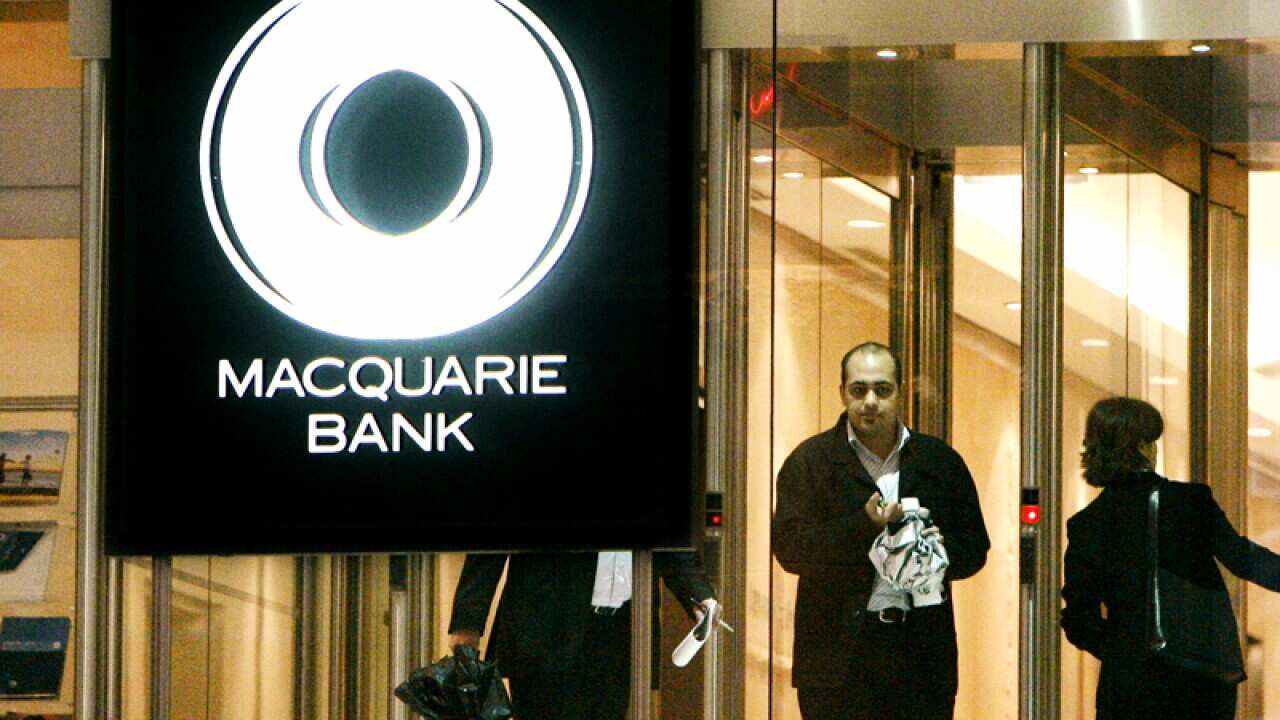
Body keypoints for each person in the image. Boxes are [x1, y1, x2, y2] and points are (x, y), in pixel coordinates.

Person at [772, 341, 990, 720]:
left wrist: (940, 551)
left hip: (921, 656)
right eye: (859, 390)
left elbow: (975, 547)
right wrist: (863, 526)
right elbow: (790, 550)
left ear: (900, 392)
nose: (870, 401)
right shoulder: (811, 461)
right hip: (835, 659)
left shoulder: (940, 461)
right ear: (842, 393)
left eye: (882, 390)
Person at [1061, 396, 1280, 720]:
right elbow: (1243, 558)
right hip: (1199, 677)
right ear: (1143, 447)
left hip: (1127, 687)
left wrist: (1124, 651)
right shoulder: (1190, 502)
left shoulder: (1087, 525)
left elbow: (1079, 618)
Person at [447, 551, 717, 720]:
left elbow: (671, 531)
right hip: (546, 622)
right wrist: (468, 620)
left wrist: (699, 594)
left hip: (620, 633)